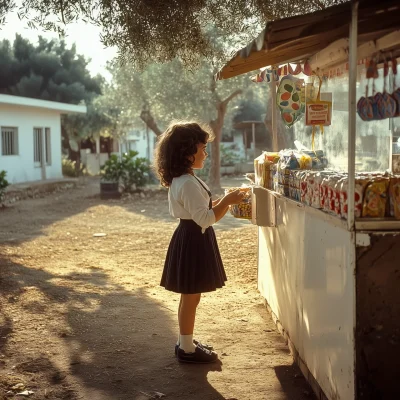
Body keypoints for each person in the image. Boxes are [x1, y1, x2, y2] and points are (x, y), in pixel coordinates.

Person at [153, 121, 245, 364]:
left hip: (190, 235)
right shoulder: (187, 183)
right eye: (202, 148)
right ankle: (187, 349)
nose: (205, 153)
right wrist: (227, 201)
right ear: (186, 152)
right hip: (193, 239)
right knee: (191, 296)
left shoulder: (185, 178)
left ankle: (185, 342)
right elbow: (205, 218)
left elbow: (201, 211)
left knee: (190, 295)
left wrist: (226, 201)